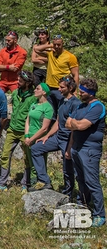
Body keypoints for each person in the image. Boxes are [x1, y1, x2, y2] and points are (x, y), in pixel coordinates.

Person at [65, 78, 106, 227]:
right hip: (77, 147)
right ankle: (83, 205)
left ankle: (99, 214)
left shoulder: (97, 107)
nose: (79, 92)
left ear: (90, 92)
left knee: (92, 181)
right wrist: (75, 126)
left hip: (90, 149)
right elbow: (67, 124)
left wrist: (75, 124)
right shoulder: (81, 106)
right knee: (80, 179)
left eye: (82, 91)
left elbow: (81, 125)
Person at [30, 75, 80, 195]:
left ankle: (68, 194)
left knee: (67, 168)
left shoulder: (75, 103)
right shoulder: (62, 101)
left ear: (70, 88)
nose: (59, 89)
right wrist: (46, 136)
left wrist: (69, 147)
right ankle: (45, 181)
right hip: (58, 137)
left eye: (62, 87)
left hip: (68, 139)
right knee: (36, 149)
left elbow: (74, 128)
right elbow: (58, 121)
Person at [0, 71, 37, 193]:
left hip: (25, 132)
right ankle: (2, 183)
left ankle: (26, 183)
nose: (18, 82)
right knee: (5, 155)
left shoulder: (33, 97)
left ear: (28, 83)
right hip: (12, 129)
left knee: (27, 158)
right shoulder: (15, 93)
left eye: (21, 81)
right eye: (18, 80)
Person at [33, 35, 79, 116]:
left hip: (62, 88)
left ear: (63, 44)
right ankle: (50, 127)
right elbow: (36, 49)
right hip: (49, 87)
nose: (57, 46)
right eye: (55, 44)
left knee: (62, 111)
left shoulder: (70, 56)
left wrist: (75, 91)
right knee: (50, 111)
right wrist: (50, 45)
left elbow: (75, 74)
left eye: (59, 44)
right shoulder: (50, 53)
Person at [23, 83, 53, 193]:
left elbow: (45, 128)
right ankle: (31, 184)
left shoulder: (48, 108)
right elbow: (28, 120)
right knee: (30, 162)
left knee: (38, 163)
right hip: (29, 137)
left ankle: (40, 184)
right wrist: (27, 136)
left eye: (37, 88)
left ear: (44, 92)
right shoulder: (34, 104)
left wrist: (32, 139)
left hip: (38, 138)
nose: (35, 90)